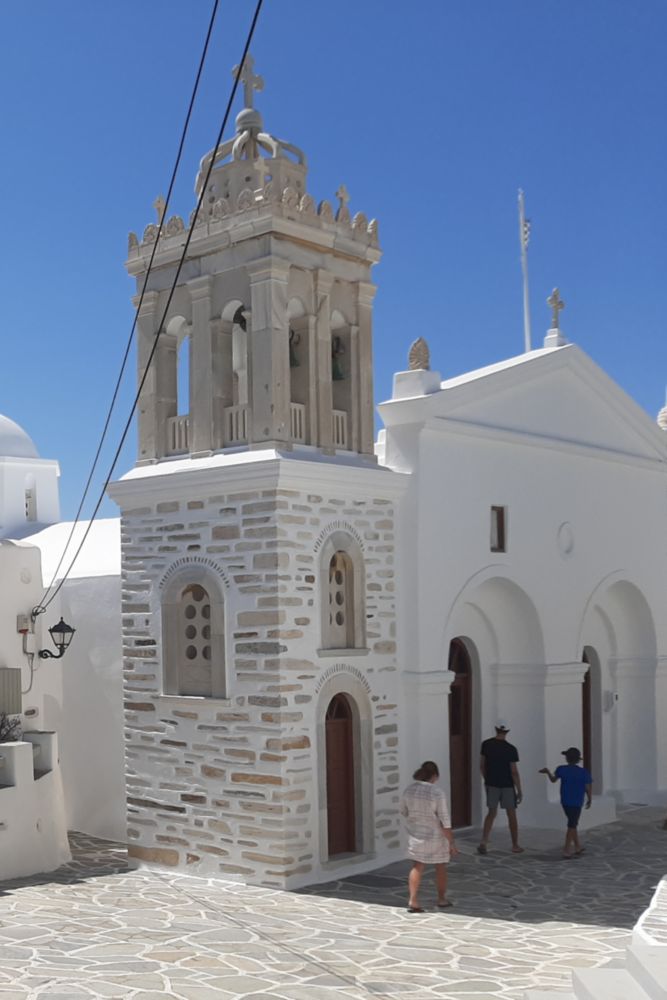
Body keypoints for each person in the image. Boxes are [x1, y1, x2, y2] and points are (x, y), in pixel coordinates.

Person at [399, 760, 458, 912]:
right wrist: (451, 842)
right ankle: (441, 898)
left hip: (416, 834)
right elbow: (444, 819)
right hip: (435, 836)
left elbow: (404, 811)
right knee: (440, 866)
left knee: (417, 866)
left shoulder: (409, 790)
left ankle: (413, 899)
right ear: (435, 776)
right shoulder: (437, 792)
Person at [478, 722, 524, 855]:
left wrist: (487, 779)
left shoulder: (486, 744)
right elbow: (514, 771)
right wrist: (519, 790)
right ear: (507, 732)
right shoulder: (511, 749)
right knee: (511, 815)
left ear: (495, 729)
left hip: (491, 783)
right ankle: (515, 844)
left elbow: (482, 765)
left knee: (491, 813)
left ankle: (484, 841)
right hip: (507, 785)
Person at [539, 747, 592, 858]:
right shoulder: (583, 772)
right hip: (577, 801)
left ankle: (577, 846)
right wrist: (590, 798)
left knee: (573, 822)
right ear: (578, 759)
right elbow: (587, 787)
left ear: (567, 759)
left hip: (565, 801)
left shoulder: (561, 769)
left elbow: (553, 780)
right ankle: (566, 849)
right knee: (572, 824)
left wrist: (548, 772)